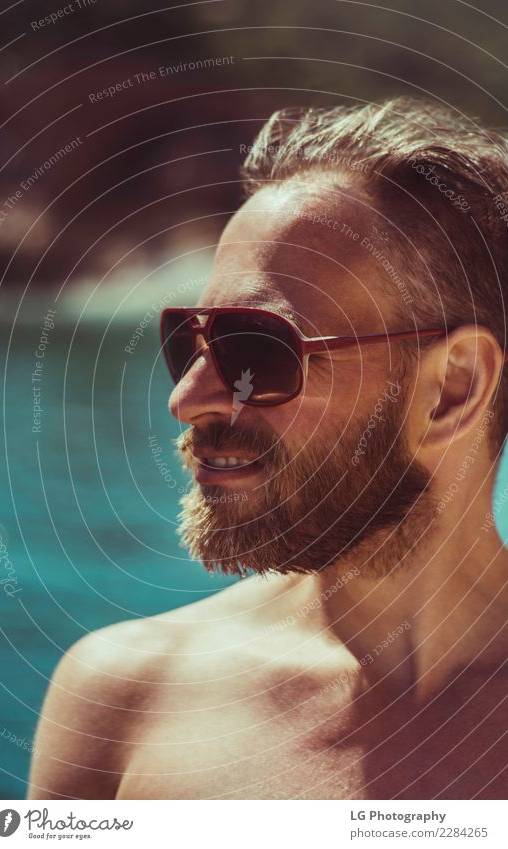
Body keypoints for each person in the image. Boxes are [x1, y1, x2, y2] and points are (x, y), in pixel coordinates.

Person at [28, 97, 508, 800]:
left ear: (451, 390)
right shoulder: (125, 695)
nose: (187, 399)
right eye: (189, 339)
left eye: (257, 348)